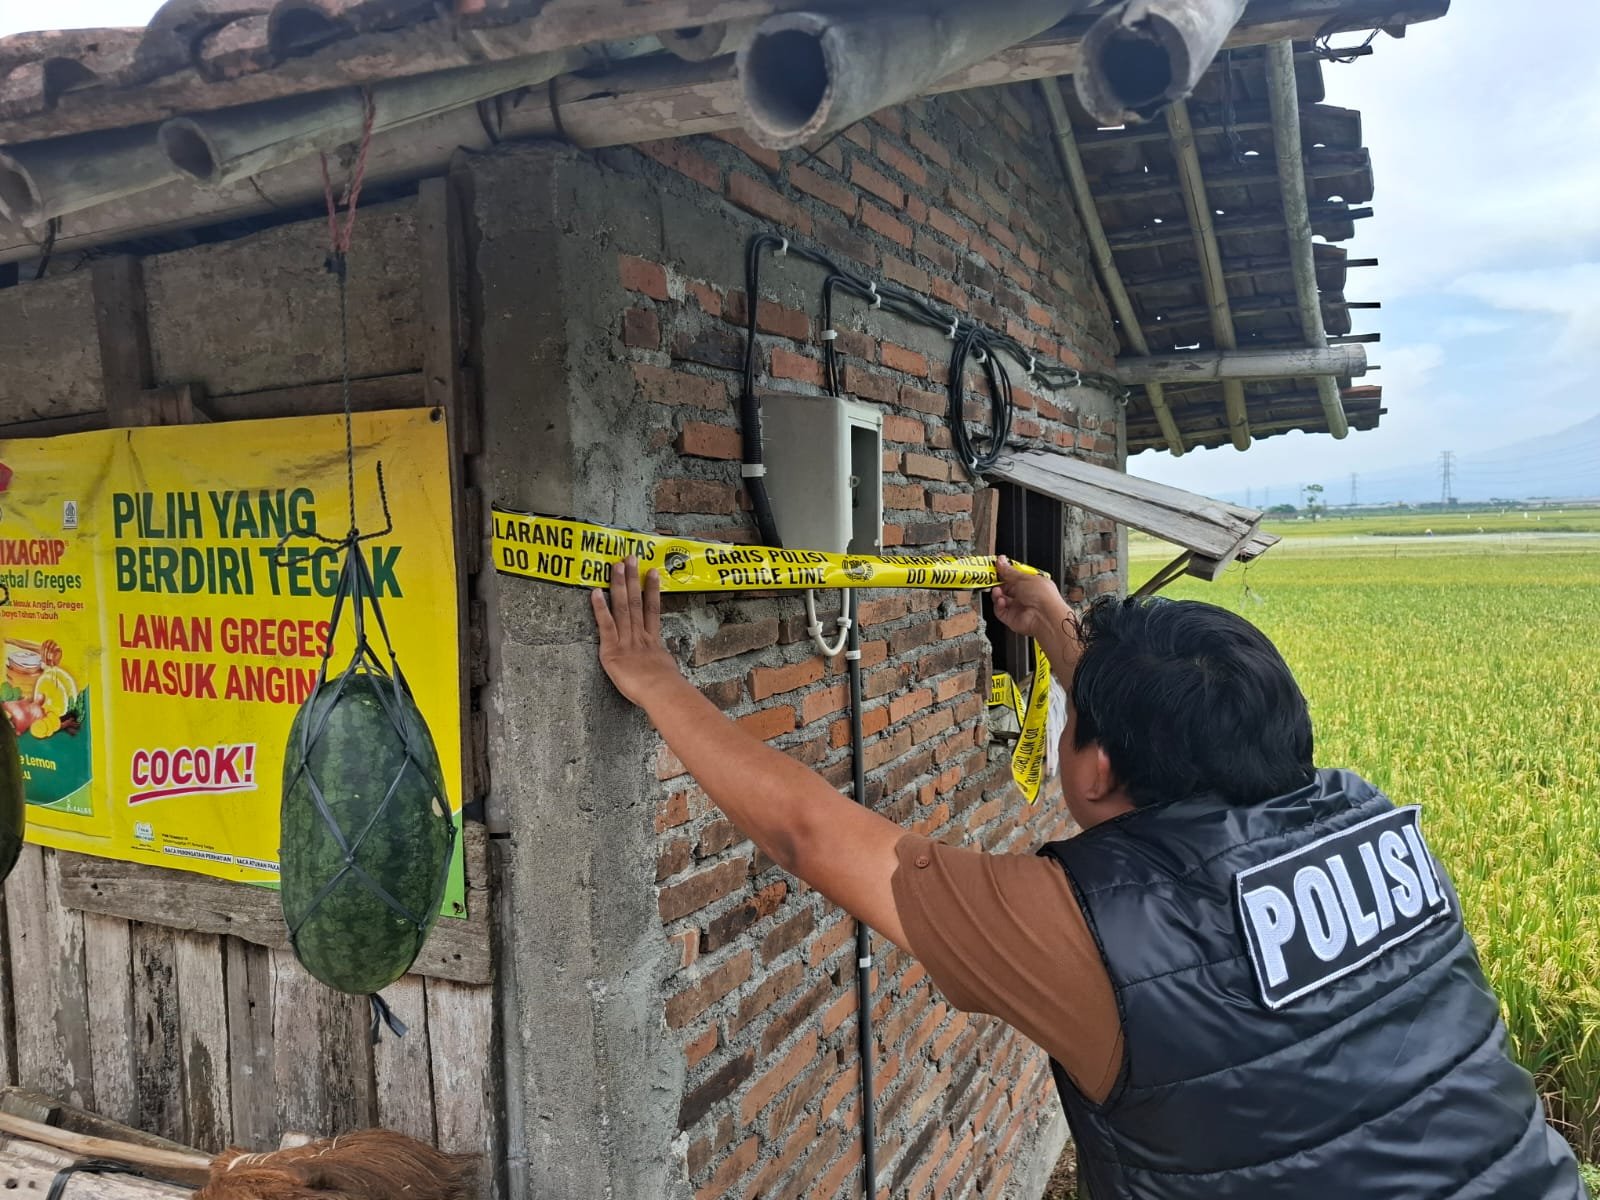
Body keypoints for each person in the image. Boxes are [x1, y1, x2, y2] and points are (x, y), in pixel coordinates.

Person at [590, 557, 1587, 1199]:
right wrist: (1059, 629)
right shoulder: (1369, 818)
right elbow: (1180, 736)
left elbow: (810, 834)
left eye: (1078, 725)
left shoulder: (1090, 930)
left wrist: (655, 678)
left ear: (1097, 767)